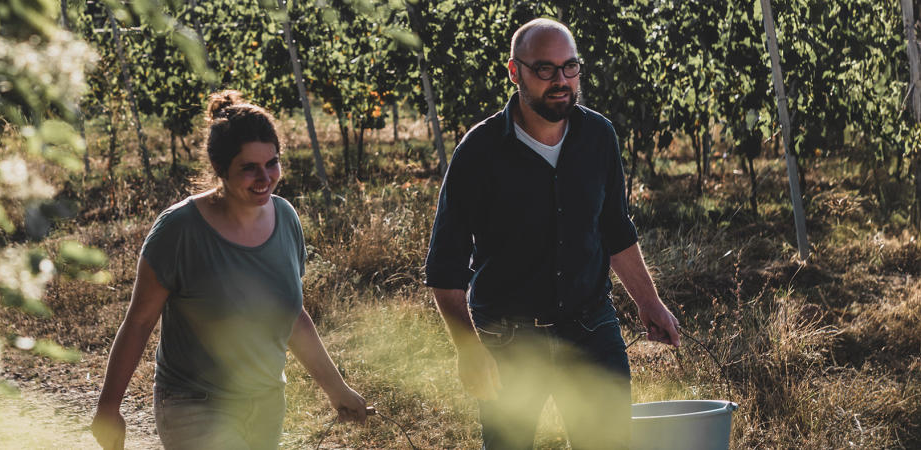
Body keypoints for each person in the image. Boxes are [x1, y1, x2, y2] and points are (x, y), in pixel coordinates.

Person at [423, 18, 682, 450]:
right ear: (514, 71)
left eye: (570, 67)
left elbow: (614, 229)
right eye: (545, 69)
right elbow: (445, 267)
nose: (561, 80)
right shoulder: (479, 152)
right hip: (509, 341)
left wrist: (649, 302)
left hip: (591, 327)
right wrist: (469, 350)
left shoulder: (598, 136)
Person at [91, 90, 367, 450]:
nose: (264, 177)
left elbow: (290, 315)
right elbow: (140, 322)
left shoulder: (286, 219)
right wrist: (109, 407)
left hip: (266, 405)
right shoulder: (179, 230)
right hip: (194, 405)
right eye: (249, 168)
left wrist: (337, 389)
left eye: (272, 163)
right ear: (221, 169)